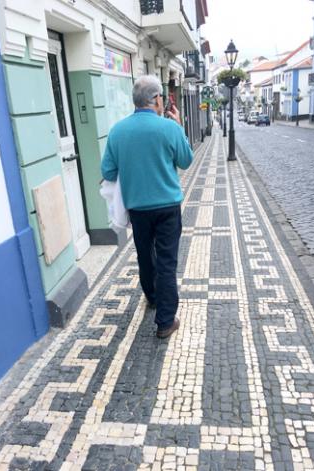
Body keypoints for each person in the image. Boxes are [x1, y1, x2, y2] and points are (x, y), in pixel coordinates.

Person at [101, 75, 193, 339]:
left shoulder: (118, 130)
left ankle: (152, 296)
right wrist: (179, 126)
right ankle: (165, 322)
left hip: (138, 209)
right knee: (167, 261)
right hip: (167, 207)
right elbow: (186, 161)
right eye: (162, 96)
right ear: (156, 99)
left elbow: (107, 170)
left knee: (145, 254)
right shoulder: (169, 127)